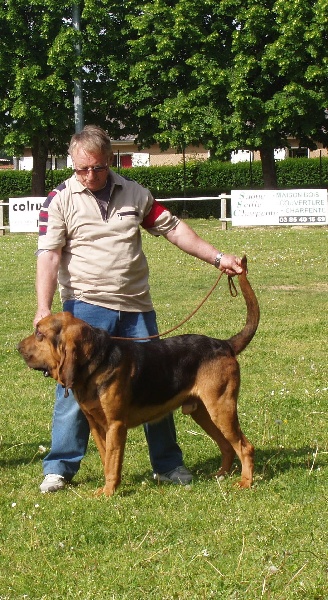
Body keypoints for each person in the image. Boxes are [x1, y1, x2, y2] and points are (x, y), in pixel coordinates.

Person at [34, 124, 243, 493]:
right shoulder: (59, 199)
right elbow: (49, 255)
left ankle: (168, 466)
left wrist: (219, 257)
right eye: (82, 168)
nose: (90, 175)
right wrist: (42, 307)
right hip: (85, 309)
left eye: (97, 167)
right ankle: (60, 468)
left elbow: (174, 228)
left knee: (160, 382)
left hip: (135, 308)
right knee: (72, 387)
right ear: (72, 163)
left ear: (110, 159)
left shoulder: (134, 193)